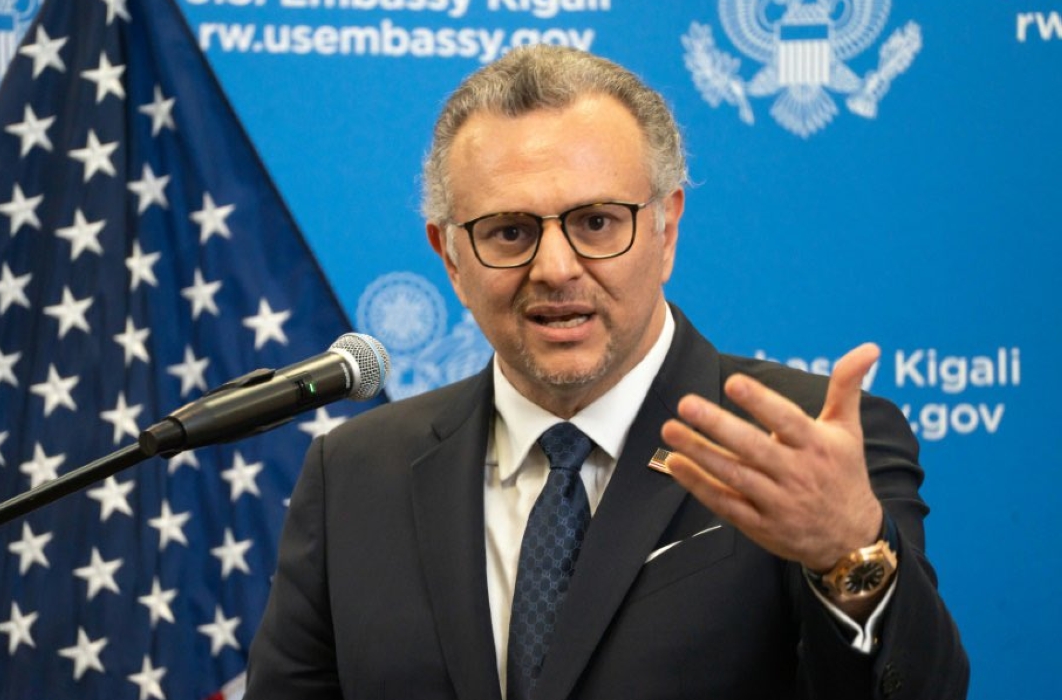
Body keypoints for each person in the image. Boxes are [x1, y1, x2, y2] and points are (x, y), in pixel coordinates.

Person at [244, 46, 968, 700]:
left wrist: (849, 555)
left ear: (666, 228)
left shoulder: (812, 444)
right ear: (450, 258)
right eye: (509, 232)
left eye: (596, 222)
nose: (555, 269)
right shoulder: (356, 473)